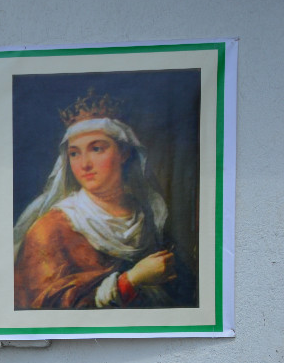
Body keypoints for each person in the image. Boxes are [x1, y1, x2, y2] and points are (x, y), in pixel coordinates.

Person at [14, 91, 176, 309]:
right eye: (74, 153)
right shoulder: (50, 229)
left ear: (124, 153)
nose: (84, 164)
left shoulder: (148, 216)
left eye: (97, 149)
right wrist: (129, 281)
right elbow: (43, 309)